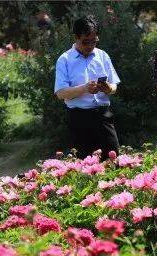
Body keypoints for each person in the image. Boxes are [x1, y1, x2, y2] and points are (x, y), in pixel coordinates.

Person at [54, 15, 120, 160]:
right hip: (79, 119)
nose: (90, 46)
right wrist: (84, 88)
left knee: (114, 163)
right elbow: (61, 93)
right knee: (84, 168)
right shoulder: (64, 60)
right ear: (76, 37)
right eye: (86, 42)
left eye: (94, 41)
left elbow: (114, 86)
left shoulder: (102, 56)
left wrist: (108, 88)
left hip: (104, 117)